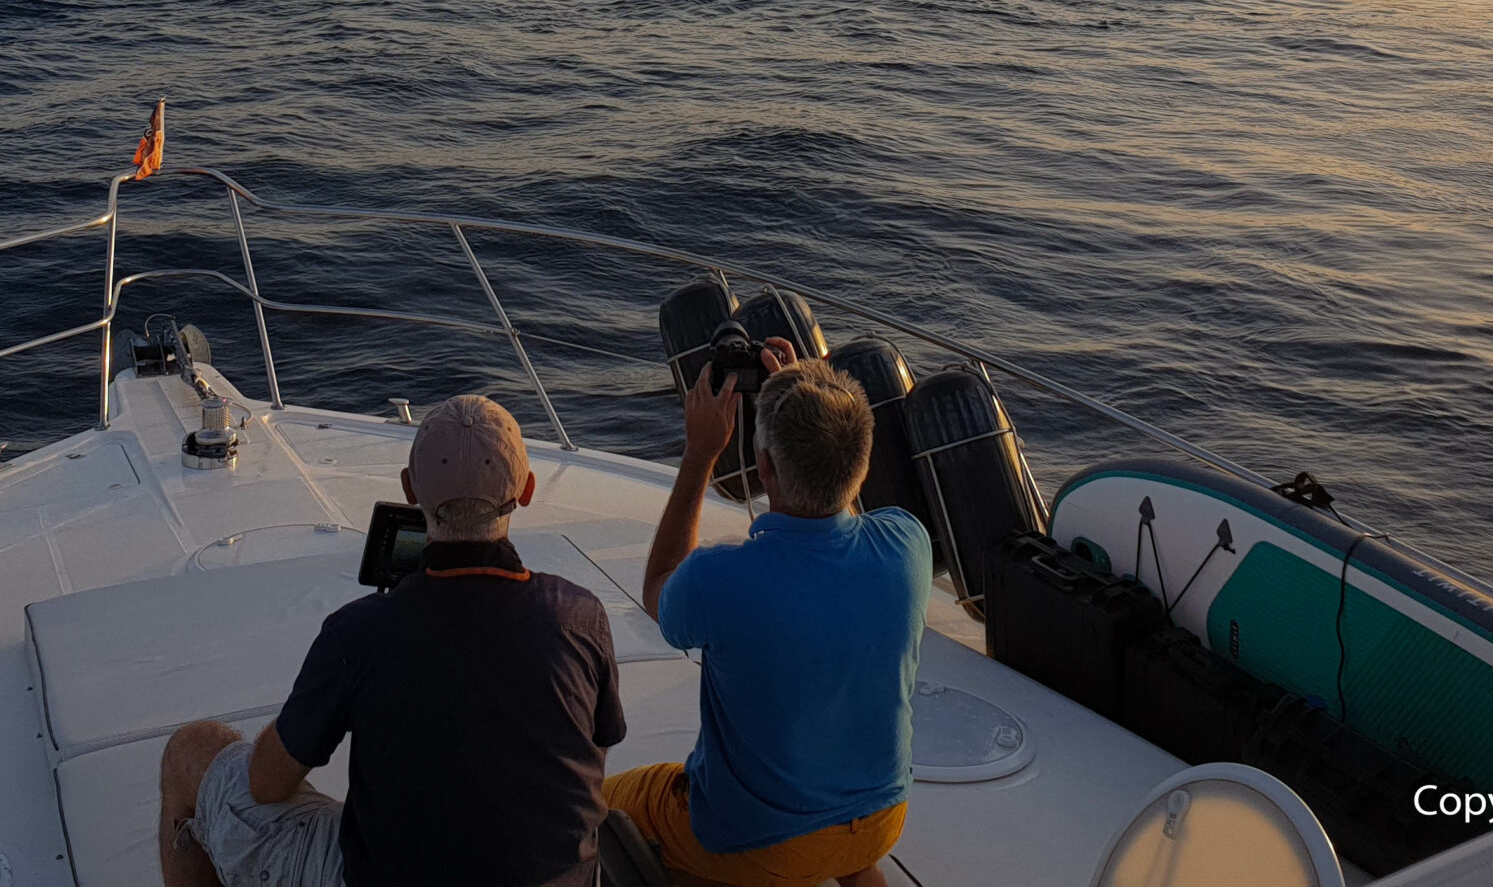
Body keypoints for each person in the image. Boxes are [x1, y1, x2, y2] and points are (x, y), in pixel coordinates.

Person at [158, 394, 626, 887]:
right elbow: (586, 755)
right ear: (527, 490)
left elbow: (265, 784)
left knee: (192, 749)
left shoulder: (361, 634)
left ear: (409, 490)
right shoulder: (581, 617)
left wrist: (323, 699)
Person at [609, 340, 930, 887]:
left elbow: (659, 592)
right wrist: (813, 403)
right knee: (842, 845)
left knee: (600, 803)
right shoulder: (908, 546)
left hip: (755, 845)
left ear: (763, 468)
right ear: (861, 458)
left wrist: (699, 455)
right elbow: (835, 503)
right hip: (881, 820)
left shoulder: (721, 579)